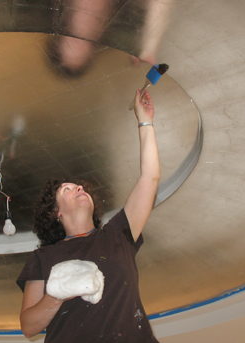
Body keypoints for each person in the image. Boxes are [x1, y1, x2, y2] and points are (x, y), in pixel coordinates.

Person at [16, 87, 160, 342]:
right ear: (55, 212)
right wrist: (57, 294)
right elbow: (29, 326)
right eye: (67, 189)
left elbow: (150, 177)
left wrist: (145, 120)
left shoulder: (119, 234)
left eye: (79, 186)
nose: (79, 187)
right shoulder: (44, 257)